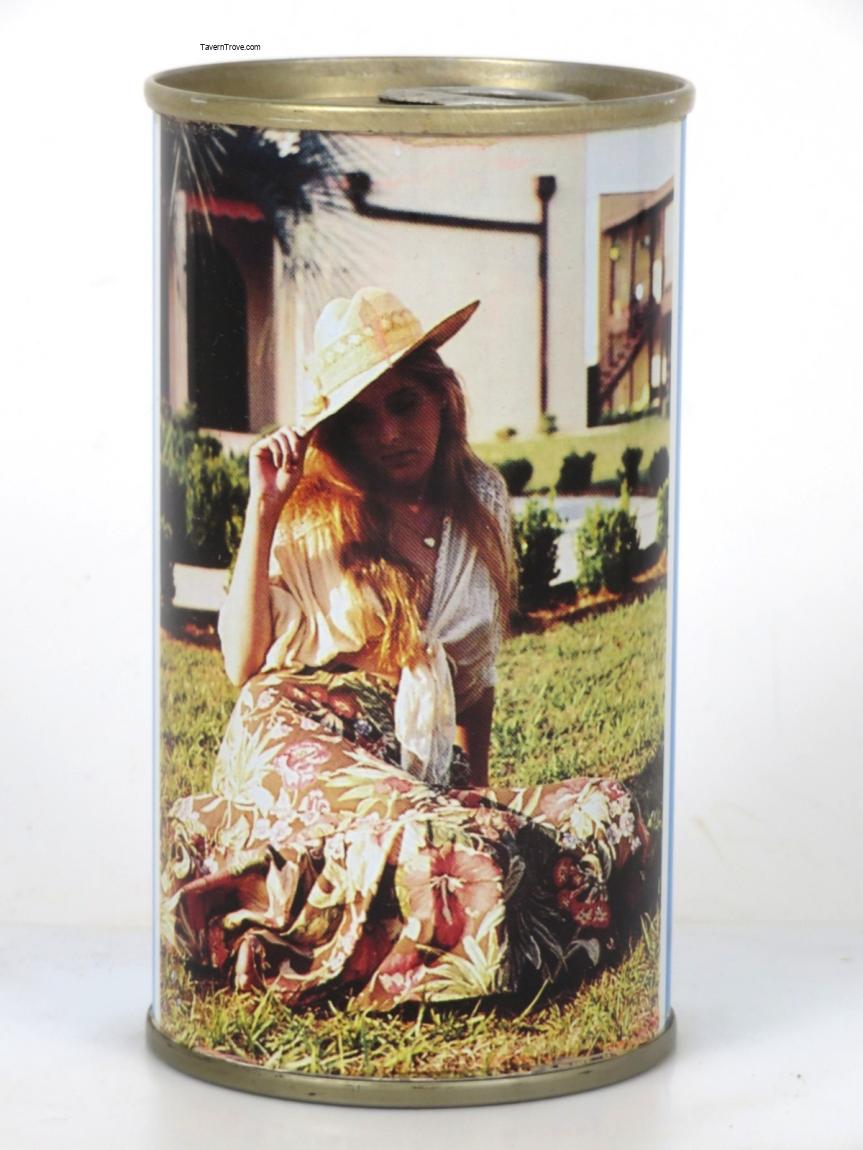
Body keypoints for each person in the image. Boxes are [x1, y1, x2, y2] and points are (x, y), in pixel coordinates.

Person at [161, 287, 651, 1013]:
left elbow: (474, 678)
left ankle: (465, 874)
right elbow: (242, 664)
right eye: (361, 417)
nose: (389, 432)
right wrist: (264, 508)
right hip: (296, 730)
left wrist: (475, 791)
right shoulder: (309, 507)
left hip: (407, 753)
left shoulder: (481, 500)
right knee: (459, 850)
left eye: (404, 403)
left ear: (442, 398)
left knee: (603, 806)